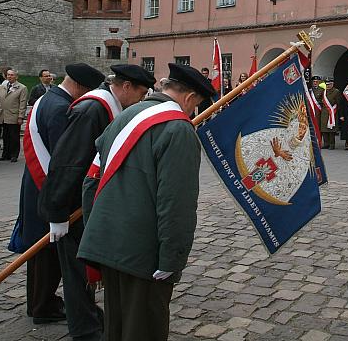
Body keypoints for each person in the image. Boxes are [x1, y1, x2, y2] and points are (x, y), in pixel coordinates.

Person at [78, 63, 215, 341]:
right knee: (144, 328)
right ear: (190, 98)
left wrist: (95, 229)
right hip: (143, 253)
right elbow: (176, 204)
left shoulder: (126, 114)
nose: (193, 112)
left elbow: (92, 180)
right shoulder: (178, 129)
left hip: (107, 240)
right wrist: (172, 260)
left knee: (115, 326)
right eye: (196, 105)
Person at [38, 64, 154, 341]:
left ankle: (90, 318)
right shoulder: (92, 110)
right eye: (140, 93)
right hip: (72, 207)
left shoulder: (107, 108)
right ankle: (85, 331)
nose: (141, 100)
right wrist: (57, 213)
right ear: (126, 87)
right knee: (77, 273)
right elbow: (66, 163)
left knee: (85, 266)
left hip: (87, 204)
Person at [12, 63, 105, 326]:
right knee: (48, 252)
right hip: (47, 187)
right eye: (87, 90)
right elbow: (64, 158)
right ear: (78, 85)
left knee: (42, 252)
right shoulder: (61, 109)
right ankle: (42, 306)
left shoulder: (49, 98)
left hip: (36, 184)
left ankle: (39, 302)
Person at [0, 69, 28, 162]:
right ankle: (5, 154)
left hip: (14, 115)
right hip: (3, 115)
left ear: (16, 77)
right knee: (5, 136)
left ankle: (14, 154)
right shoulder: (2, 87)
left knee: (14, 136)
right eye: (8, 75)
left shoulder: (22, 88)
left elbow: (23, 103)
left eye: (12, 75)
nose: (9, 76)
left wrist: (20, 116)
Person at [319, 78, 340, 149]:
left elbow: (339, 102)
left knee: (331, 130)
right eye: (327, 84)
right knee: (324, 129)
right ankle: (326, 143)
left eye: (329, 84)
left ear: (332, 84)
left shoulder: (336, 91)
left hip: (333, 112)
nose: (328, 86)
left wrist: (336, 111)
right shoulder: (323, 91)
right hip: (324, 112)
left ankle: (332, 144)